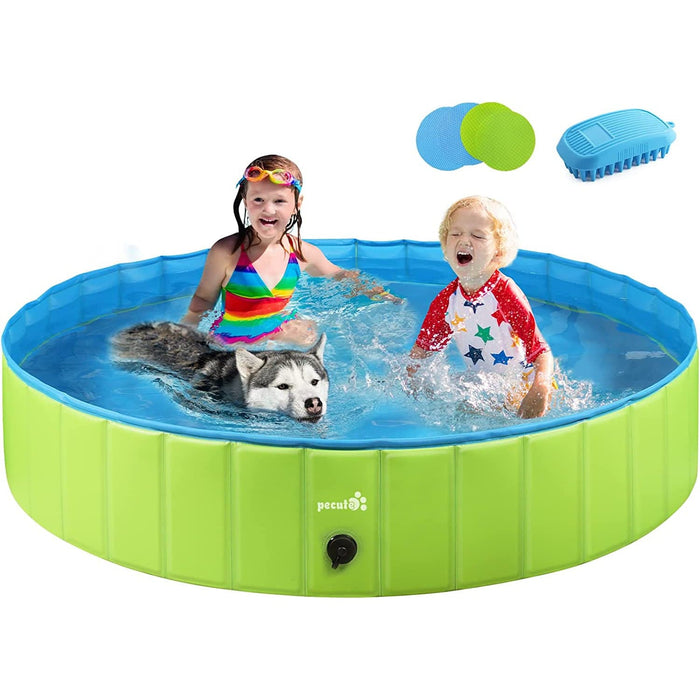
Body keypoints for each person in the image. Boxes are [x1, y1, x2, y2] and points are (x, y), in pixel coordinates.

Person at [181, 154, 397, 346]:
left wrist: (380, 293)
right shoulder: (227, 252)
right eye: (258, 200)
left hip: (278, 332)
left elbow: (340, 275)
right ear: (245, 201)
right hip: (233, 338)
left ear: (297, 204)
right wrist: (182, 336)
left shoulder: (303, 253)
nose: (268, 209)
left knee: (310, 333)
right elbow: (203, 300)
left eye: (279, 201)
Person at [408, 195, 554, 419]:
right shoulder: (447, 301)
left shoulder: (505, 293)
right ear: (445, 245)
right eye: (455, 234)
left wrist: (541, 388)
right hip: (486, 390)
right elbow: (422, 352)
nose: (464, 241)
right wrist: (411, 384)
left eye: (477, 235)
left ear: (498, 251)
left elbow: (540, 351)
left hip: (526, 388)